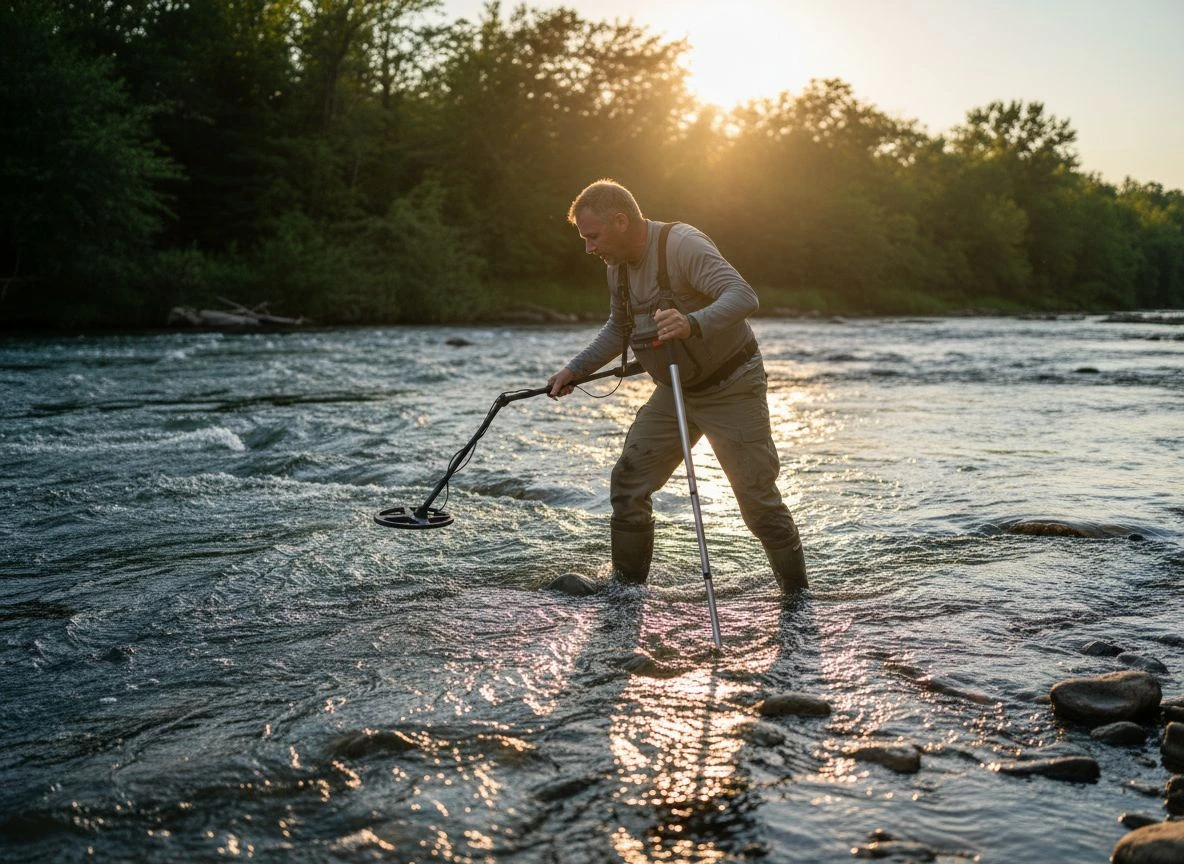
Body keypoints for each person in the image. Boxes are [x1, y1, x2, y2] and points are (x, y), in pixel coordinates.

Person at [547, 179, 807, 595]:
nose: (589, 249)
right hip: (674, 390)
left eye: (592, 237)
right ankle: (626, 592)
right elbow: (620, 327)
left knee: (757, 504)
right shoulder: (617, 269)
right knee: (629, 482)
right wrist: (575, 369)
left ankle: (798, 596)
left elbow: (743, 296)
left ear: (620, 221)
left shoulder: (681, 244)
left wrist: (693, 323)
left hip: (732, 385)